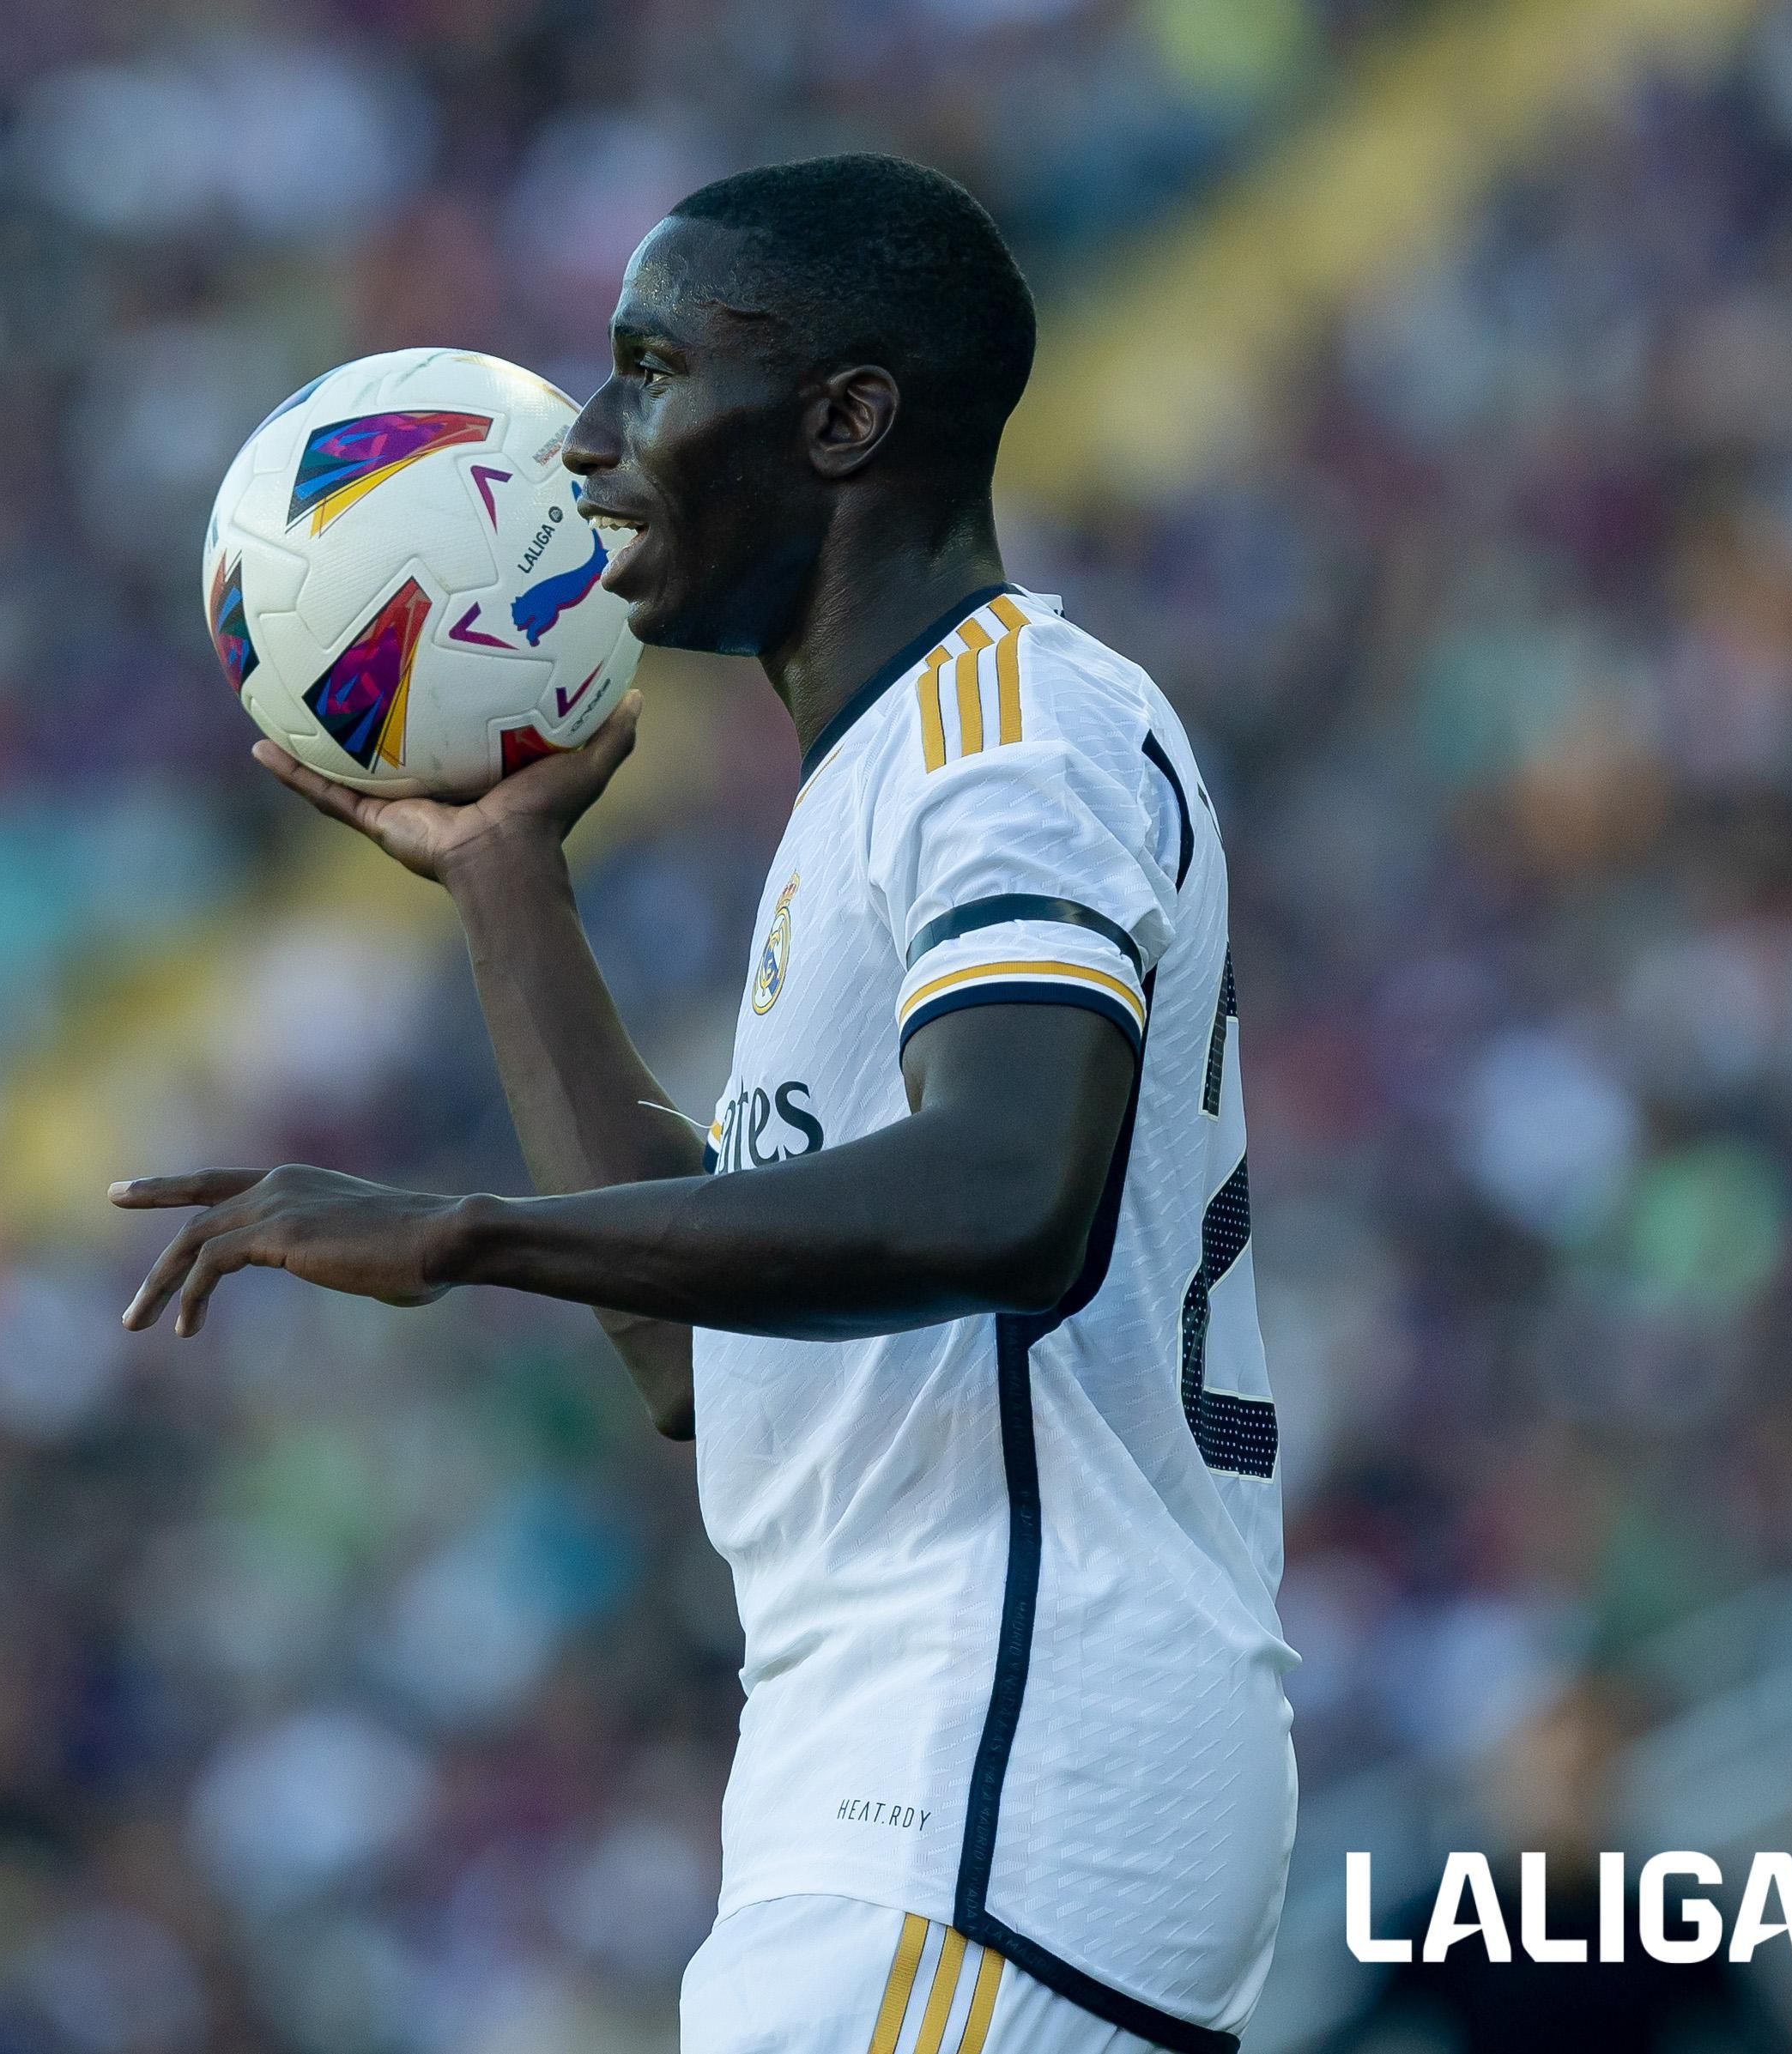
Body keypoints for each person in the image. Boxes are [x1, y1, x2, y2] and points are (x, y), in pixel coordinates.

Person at [114, 154, 1295, 2054]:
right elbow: (704, 1364)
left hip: (993, 1757)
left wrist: (457, 1231)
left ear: (842, 420)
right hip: (952, 1781)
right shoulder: (888, 771)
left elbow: (1010, 1190)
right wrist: (508, 881)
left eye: (648, 371)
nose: (585, 444)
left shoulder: (1007, 737)